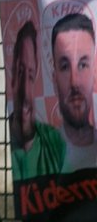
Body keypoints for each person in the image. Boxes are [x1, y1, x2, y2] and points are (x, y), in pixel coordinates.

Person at [9, 19, 66, 182]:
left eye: (31, 76)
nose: (25, 91)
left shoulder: (54, 143)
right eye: (20, 73)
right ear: (11, 78)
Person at [49, 12, 97, 173]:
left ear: (94, 74)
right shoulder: (42, 156)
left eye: (83, 65)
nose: (74, 82)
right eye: (65, 67)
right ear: (54, 80)